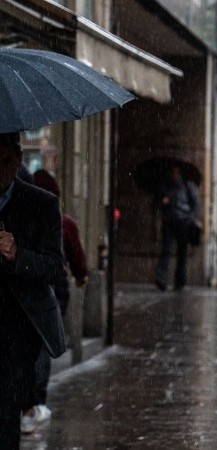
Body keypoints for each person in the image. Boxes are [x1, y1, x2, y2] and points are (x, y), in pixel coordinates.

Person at [0, 132, 66, 449]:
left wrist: (18, 255)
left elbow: (54, 265)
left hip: (17, 332)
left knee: (5, 416)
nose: (0, 169)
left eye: (6, 161)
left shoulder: (42, 205)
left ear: (18, 161)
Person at [20, 170, 89, 433]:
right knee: (40, 344)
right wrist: (81, 276)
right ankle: (34, 403)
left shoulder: (33, 220)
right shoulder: (63, 223)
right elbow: (76, 257)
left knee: (32, 345)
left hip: (41, 294)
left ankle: (30, 405)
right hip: (49, 295)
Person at [155, 165, 199, 291]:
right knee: (166, 250)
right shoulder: (166, 186)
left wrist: (189, 218)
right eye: (172, 172)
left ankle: (180, 281)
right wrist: (163, 201)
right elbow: (158, 203)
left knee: (182, 253)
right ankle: (162, 278)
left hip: (183, 223)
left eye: (176, 172)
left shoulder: (187, 185)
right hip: (169, 222)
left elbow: (195, 205)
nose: (174, 175)